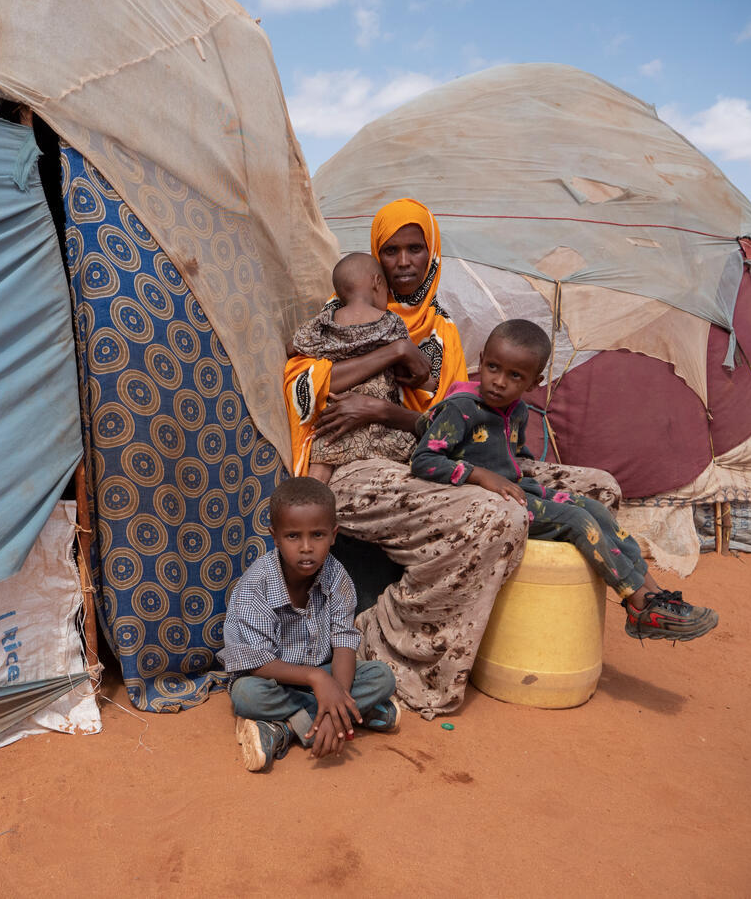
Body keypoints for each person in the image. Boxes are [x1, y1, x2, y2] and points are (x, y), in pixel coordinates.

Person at [283, 198, 622, 718]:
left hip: (441, 457)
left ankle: (513, 637)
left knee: (598, 487)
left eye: (415, 248)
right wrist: (392, 354)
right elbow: (305, 386)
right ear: (374, 260)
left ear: (432, 253)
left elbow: (452, 421)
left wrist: (383, 408)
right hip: (357, 468)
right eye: (390, 250)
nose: (403, 262)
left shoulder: (441, 332)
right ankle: (387, 644)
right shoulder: (335, 321)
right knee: (496, 512)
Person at [411, 319, 719, 640]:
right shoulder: (461, 409)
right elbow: (423, 460)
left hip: (514, 492)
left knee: (594, 508)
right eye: (492, 367)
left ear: (534, 382)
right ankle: (636, 599)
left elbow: (513, 455)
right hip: (481, 500)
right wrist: (479, 474)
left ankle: (653, 595)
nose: (499, 382)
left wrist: (523, 473)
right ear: (483, 358)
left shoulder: (516, 410)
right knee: (575, 519)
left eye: (514, 376)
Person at [219, 477, 401, 772]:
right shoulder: (256, 586)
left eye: (317, 535)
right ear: (275, 537)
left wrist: (333, 701)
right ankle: (354, 714)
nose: (306, 547)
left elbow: (343, 642)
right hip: (273, 679)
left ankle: (288, 729)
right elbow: (257, 662)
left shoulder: (337, 576)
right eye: (293, 537)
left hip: (326, 678)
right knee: (245, 695)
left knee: (382, 677)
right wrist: (318, 680)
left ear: (333, 535)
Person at [290, 253, 419, 483]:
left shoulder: (324, 322)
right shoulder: (391, 322)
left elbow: (295, 346)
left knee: (319, 468)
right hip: (378, 425)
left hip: (335, 416)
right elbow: (405, 370)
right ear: (377, 282)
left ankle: (308, 509)